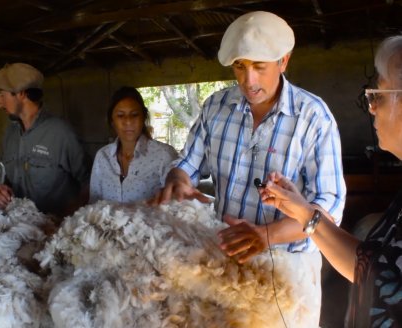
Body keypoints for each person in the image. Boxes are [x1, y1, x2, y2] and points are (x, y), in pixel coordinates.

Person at [150, 11, 346, 325]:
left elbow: (329, 207)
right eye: (240, 66)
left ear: (284, 62)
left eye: (259, 67)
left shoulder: (313, 118)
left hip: (288, 268)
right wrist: (179, 178)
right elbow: (188, 163)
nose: (248, 80)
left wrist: (268, 235)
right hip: (226, 261)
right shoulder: (216, 107)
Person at [261, 36, 402, 328]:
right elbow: (370, 269)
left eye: (378, 95)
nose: (372, 108)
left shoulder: (315, 114)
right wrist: (303, 212)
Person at [0, 63, 91, 218]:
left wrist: (68, 219)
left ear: (21, 93)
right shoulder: (11, 133)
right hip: (22, 228)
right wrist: (0, 190)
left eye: (2, 95)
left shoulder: (60, 133)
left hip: (57, 231)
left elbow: (90, 183)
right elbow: (5, 176)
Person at [89, 86, 177, 203]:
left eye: (134, 114)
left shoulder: (164, 155)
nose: (128, 121)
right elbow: (94, 204)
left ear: (143, 118)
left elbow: (177, 205)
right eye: (120, 115)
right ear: (112, 121)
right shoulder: (102, 157)